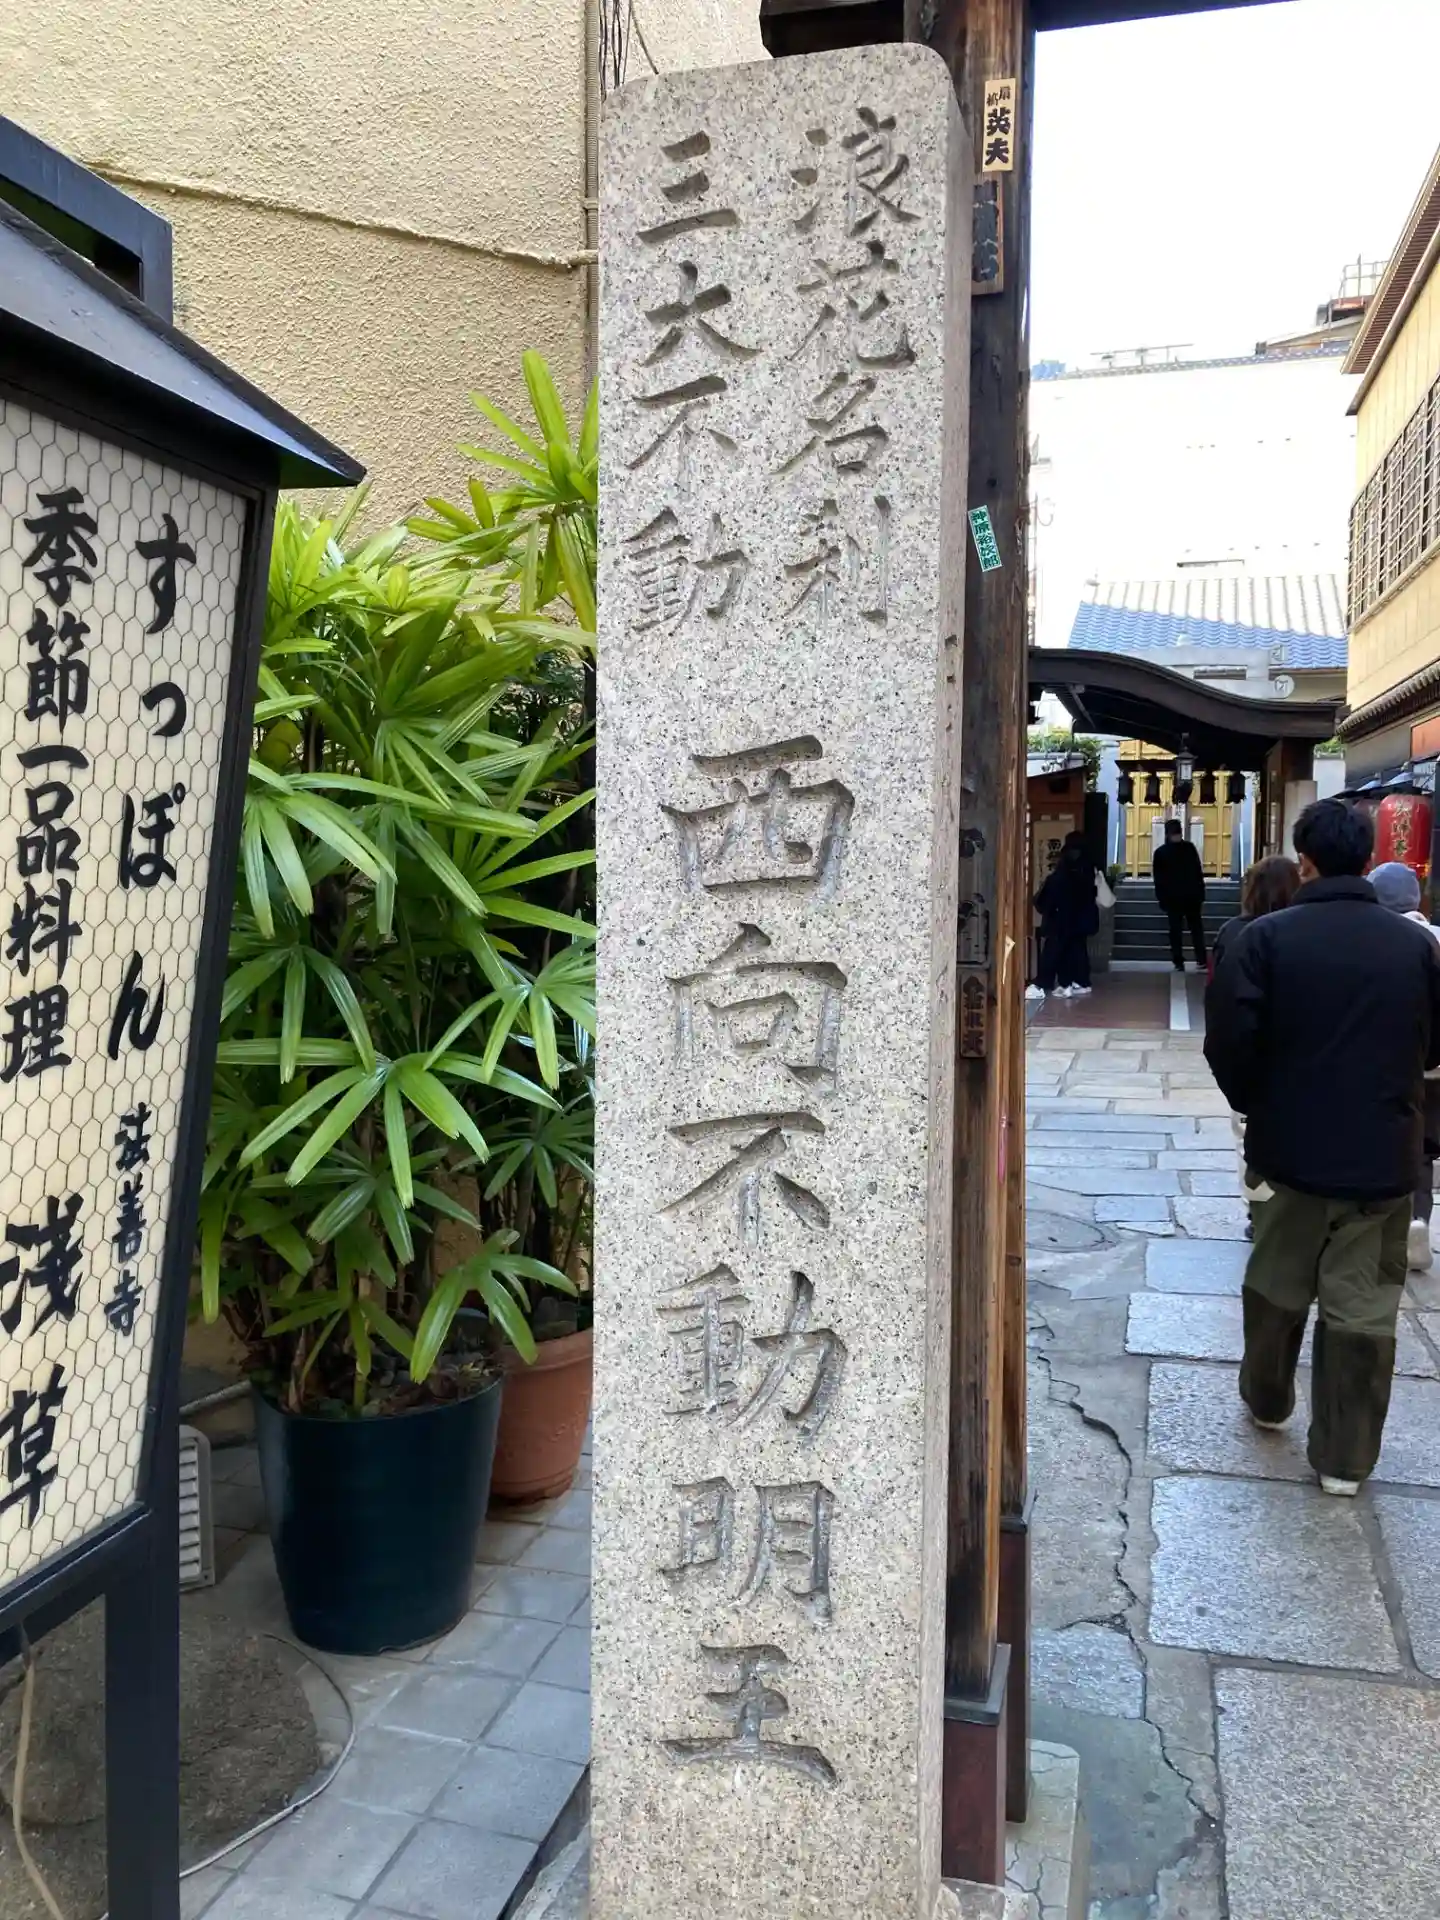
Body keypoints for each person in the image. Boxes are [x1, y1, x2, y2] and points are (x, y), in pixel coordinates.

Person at [1205, 800, 1440, 1496]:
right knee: (1363, 1305)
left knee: (1277, 1282)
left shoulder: (1265, 939)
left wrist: (1260, 1103)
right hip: (1382, 1153)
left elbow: (1229, 1042)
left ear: (1304, 861)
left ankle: (1268, 1396)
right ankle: (1344, 1458)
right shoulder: (1415, 947)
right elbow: (1435, 1044)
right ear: (1368, 859)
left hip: (1290, 1148)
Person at [1206, 855, 1302, 1234]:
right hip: (1299, 1054)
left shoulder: (1234, 933)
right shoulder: (1305, 931)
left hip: (1253, 1058)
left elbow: (1218, 999)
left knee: (1247, 1138)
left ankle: (1258, 1210)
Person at [1369, 860, 1440, 1274]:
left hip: (1394, 1062)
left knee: (1385, 1142)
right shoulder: (1436, 937)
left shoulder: (1378, 942)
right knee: (1423, 1151)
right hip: (1435, 1070)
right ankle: (1418, 1219)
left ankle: (1387, 1226)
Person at [1032, 832, 1097, 1000]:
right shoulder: (1088, 866)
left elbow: (1051, 893)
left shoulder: (1064, 867)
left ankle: (1051, 983)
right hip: (1081, 918)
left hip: (1061, 917)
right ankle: (1079, 982)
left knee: (1054, 950)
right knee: (1077, 949)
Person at [1152, 818, 1207, 972]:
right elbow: (1197, 871)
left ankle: (1178, 961)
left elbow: (1159, 879)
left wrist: (1161, 898)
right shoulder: (1189, 848)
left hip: (1174, 898)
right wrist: (1201, 892)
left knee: (1176, 930)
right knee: (1195, 928)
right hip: (1191, 896)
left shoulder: (1161, 852)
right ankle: (1200, 959)